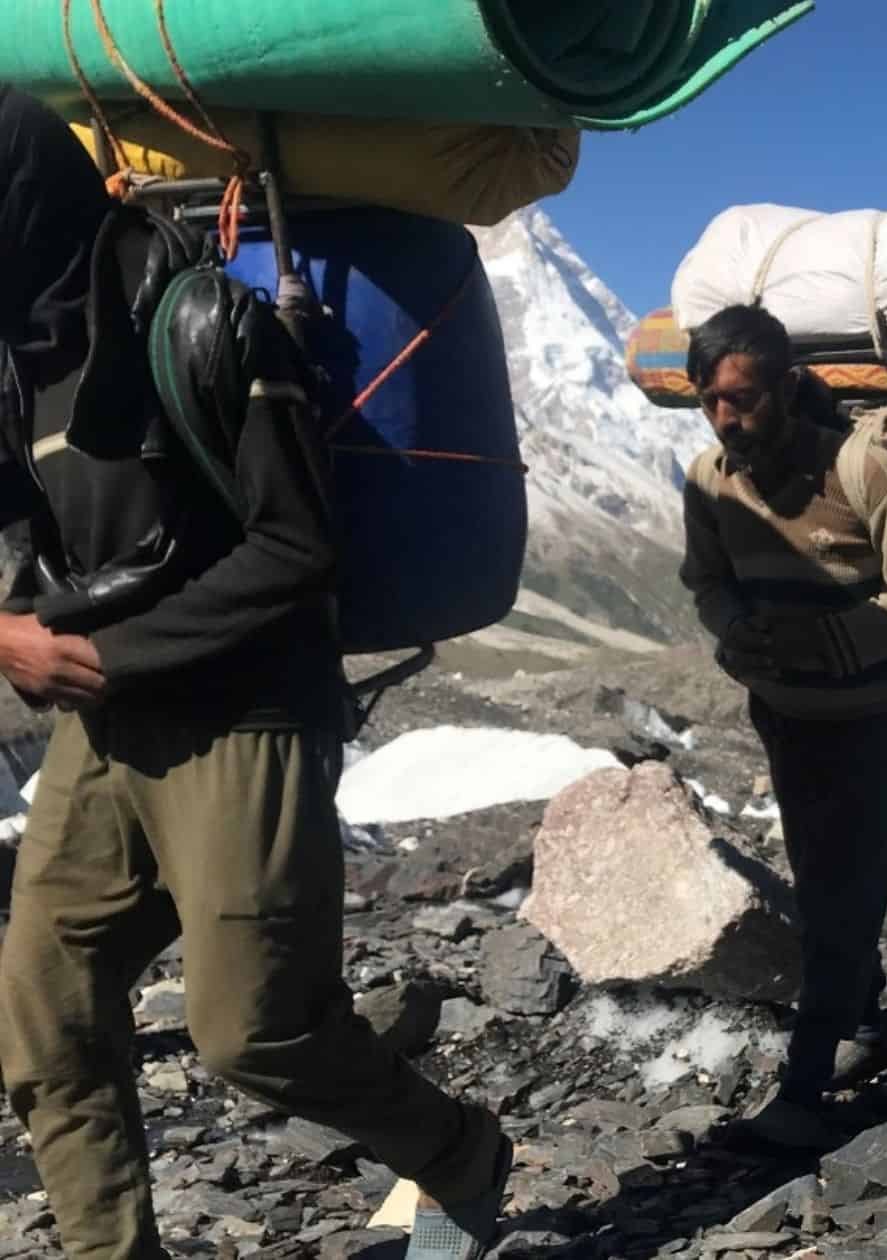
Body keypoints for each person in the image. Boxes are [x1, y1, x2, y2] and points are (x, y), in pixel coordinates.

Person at [0, 86, 512, 1259]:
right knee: (44, 1019)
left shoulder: (200, 323)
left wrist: (95, 655)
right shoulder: (15, 358)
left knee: (253, 1033)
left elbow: (296, 547)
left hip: (242, 717)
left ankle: (458, 1154)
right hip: (102, 729)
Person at [676, 303, 887, 1146]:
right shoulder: (708, 481)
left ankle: (802, 1091)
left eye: (745, 399)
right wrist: (737, 633)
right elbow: (708, 580)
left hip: (871, 717)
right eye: (712, 401)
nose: (728, 417)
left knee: (838, 896)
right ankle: (859, 1021)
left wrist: (821, 641)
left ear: (788, 387)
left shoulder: (866, 469)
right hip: (785, 716)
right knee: (822, 875)